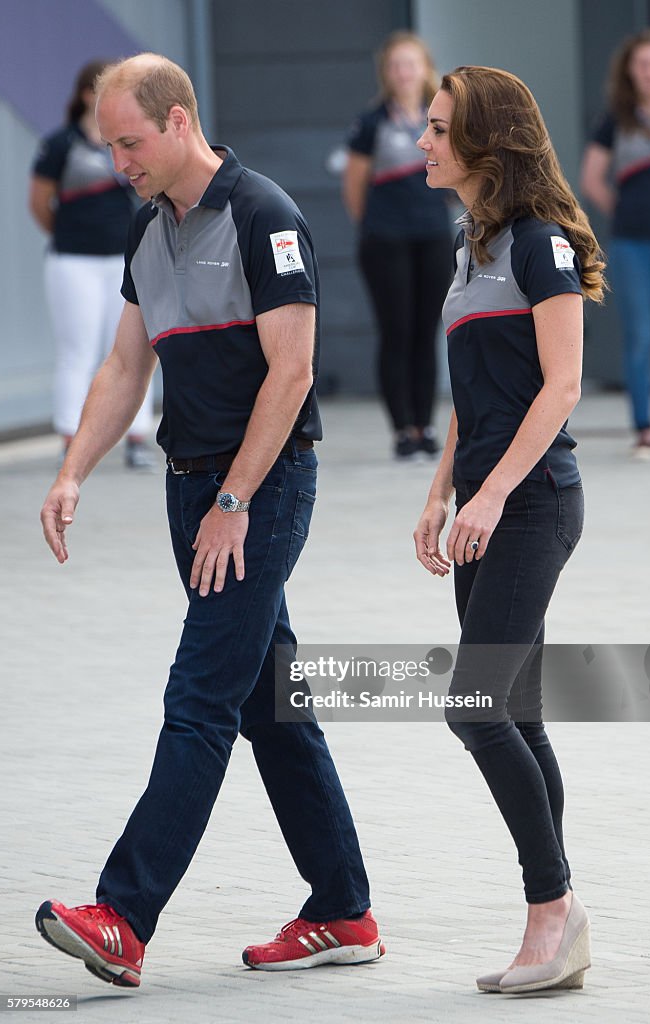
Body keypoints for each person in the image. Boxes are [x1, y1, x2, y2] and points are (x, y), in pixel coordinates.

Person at [35, 52, 384, 988]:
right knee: (274, 706)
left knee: (200, 700)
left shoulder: (264, 214)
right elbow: (122, 368)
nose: (118, 163)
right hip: (192, 491)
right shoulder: (149, 230)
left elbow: (294, 371)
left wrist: (233, 502)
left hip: (257, 493)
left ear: (179, 120)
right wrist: (74, 471)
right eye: (109, 146)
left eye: (130, 142)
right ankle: (343, 909)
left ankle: (123, 915)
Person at [413, 66, 606, 993]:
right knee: (513, 709)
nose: (422, 141)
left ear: (486, 144)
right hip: (486, 506)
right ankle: (559, 920)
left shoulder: (539, 248)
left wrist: (488, 497)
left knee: (473, 706)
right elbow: (472, 396)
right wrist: (441, 490)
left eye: (439, 129)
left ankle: (550, 908)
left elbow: (559, 387)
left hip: (533, 506)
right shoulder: (469, 243)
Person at [29, 60, 155, 470]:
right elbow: (38, 203)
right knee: (77, 351)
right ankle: (70, 438)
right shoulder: (60, 144)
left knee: (131, 350)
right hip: (73, 262)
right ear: (87, 95)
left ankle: (137, 440)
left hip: (123, 260)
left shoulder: (127, 142)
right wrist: (72, 235)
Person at [343, 31, 453, 460]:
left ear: (424, 67)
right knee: (397, 332)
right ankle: (402, 429)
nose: (404, 73)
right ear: (386, 73)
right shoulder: (371, 122)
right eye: (396, 65)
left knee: (427, 332)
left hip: (433, 235)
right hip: (385, 241)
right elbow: (354, 186)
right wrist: (374, 226)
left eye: (411, 64)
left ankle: (425, 425)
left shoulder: (439, 120)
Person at [580, 27, 650, 460]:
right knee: (639, 337)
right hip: (633, 244)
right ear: (630, 71)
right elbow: (591, 178)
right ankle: (643, 430)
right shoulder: (615, 119)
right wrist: (622, 211)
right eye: (643, 64)